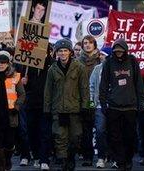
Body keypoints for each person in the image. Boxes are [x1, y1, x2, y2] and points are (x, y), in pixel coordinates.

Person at [99, 38, 144, 170]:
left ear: (125, 50)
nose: (119, 53)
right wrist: (103, 103)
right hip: (113, 106)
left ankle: (128, 158)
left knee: (130, 136)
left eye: (121, 51)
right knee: (114, 136)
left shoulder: (132, 61)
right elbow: (103, 84)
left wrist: (141, 102)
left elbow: (139, 83)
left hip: (130, 106)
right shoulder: (109, 63)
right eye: (116, 51)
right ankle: (120, 161)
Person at [44, 38, 89, 171]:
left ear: (70, 52)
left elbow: (84, 89)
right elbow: (48, 91)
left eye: (65, 51)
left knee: (75, 137)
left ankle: (70, 158)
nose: (63, 53)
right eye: (60, 51)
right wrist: (46, 109)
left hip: (75, 109)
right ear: (57, 53)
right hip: (58, 109)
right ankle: (64, 163)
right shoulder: (52, 69)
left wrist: (85, 107)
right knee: (60, 138)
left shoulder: (79, 67)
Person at [0, 51, 25, 171]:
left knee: (9, 142)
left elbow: (22, 94)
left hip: (10, 115)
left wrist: (16, 107)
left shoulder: (15, 76)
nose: (0, 65)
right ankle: (0, 166)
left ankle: (7, 160)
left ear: (8, 64)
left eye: (3, 63)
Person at [22, 43, 55, 170]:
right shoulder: (27, 63)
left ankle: (44, 159)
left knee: (45, 132)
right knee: (32, 131)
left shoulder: (51, 64)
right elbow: (19, 84)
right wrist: (23, 82)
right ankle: (36, 155)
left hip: (46, 103)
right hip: (31, 103)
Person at [77, 35, 101, 166]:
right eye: (85, 43)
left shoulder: (100, 60)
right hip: (83, 100)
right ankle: (88, 157)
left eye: (90, 43)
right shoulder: (77, 61)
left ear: (95, 45)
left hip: (98, 100)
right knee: (86, 131)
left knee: (101, 129)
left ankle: (105, 156)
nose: (87, 45)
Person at [89, 46, 112, 168]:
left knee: (114, 132)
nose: (101, 56)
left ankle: (113, 157)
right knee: (99, 131)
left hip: (114, 105)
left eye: (103, 54)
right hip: (98, 106)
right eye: (101, 54)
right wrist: (91, 105)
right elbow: (91, 87)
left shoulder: (115, 69)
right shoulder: (97, 69)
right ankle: (101, 157)